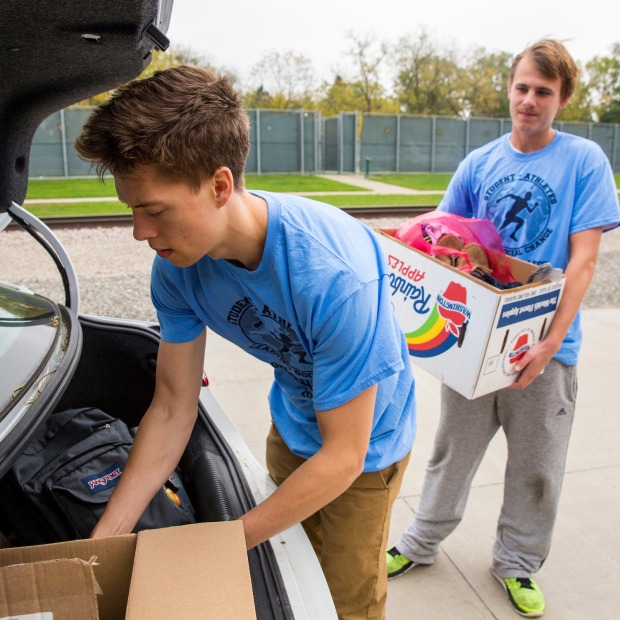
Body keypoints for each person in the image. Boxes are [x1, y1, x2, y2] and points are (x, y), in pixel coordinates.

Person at [74, 64, 416, 620]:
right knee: (291, 569)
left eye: (154, 210)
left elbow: (344, 455)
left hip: (367, 449)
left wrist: (224, 542)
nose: (139, 231)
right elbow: (171, 407)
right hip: (294, 423)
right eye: (132, 210)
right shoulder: (177, 269)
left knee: (346, 597)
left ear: (220, 184)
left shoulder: (335, 277)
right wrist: (106, 537)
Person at [386, 38, 619, 618]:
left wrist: (548, 344)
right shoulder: (480, 164)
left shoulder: (584, 161)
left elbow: (583, 261)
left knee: (537, 465)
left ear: (562, 98)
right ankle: (421, 541)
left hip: (546, 346)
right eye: (522, 87)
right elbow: (445, 243)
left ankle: (517, 562)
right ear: (509, 89)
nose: (529, 100)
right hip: (475, 345)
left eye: (543, 91)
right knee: (451, 450)